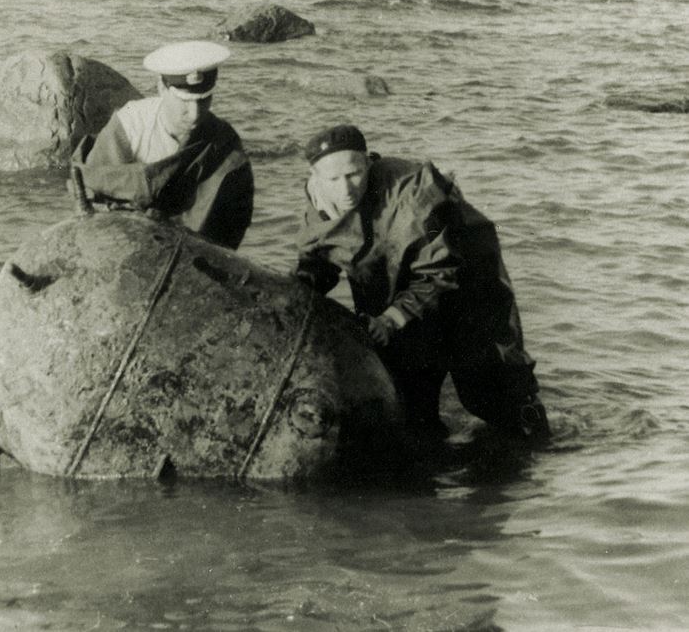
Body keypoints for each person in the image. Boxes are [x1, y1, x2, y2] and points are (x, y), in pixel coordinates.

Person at [293, 124, 550, 440]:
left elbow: (439, 273)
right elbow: (319, 262)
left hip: (465, 281)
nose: (345, 188)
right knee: (406, 405)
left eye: (354, 174)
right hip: (391, 284)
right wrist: (297, 292)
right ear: (315, 178)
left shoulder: (411, 191)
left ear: (368, 163)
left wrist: (390, 320)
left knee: (490, 391)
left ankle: (534, 450)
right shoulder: (318, 202)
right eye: (333, 179)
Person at [71, 40, 254, 250]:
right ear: (161, 87)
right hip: (123, 245)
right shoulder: (130, 126)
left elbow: (231, 227)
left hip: (191, 254)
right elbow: (93, 195)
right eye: (184, 100)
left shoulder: (224, 143)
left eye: (203, 100)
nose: (194, 114)